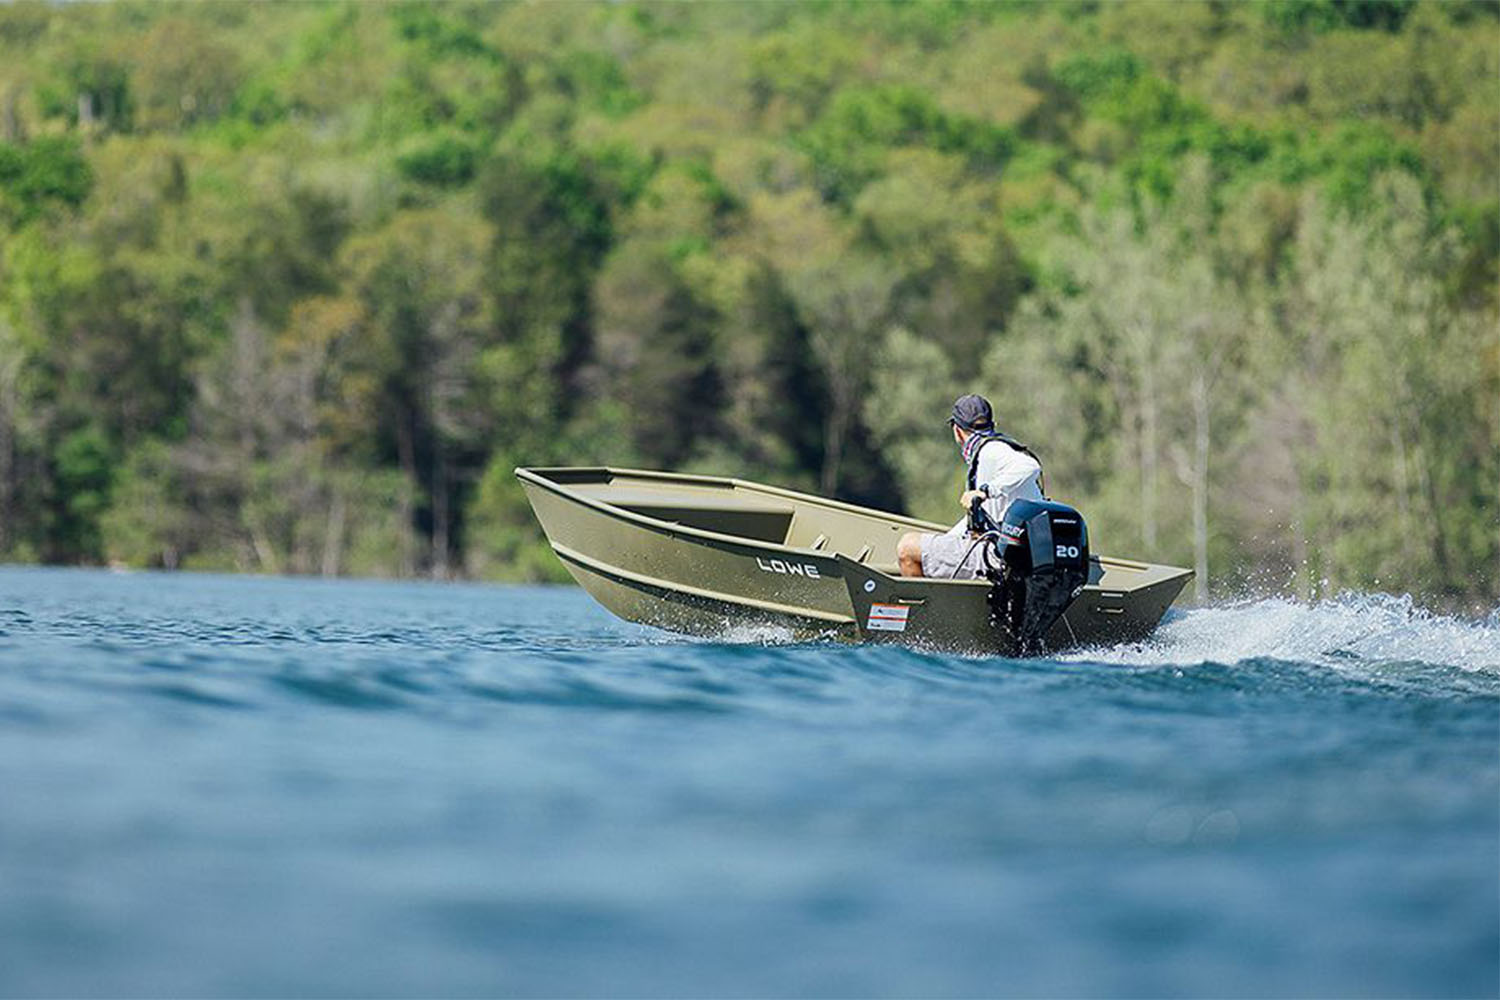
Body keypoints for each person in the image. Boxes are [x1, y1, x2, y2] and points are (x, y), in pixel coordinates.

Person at [896, 393, 1046, 578]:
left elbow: (1030, 466)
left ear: (957, 430)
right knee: (929, 548)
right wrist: (945, 541)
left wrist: (985, 491)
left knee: (907, 548)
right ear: (992, 425)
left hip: (999, 558)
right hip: (1020, 554)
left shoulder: (991, 450)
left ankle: (924, 608)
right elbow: (979, 518)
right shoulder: (990, 453)